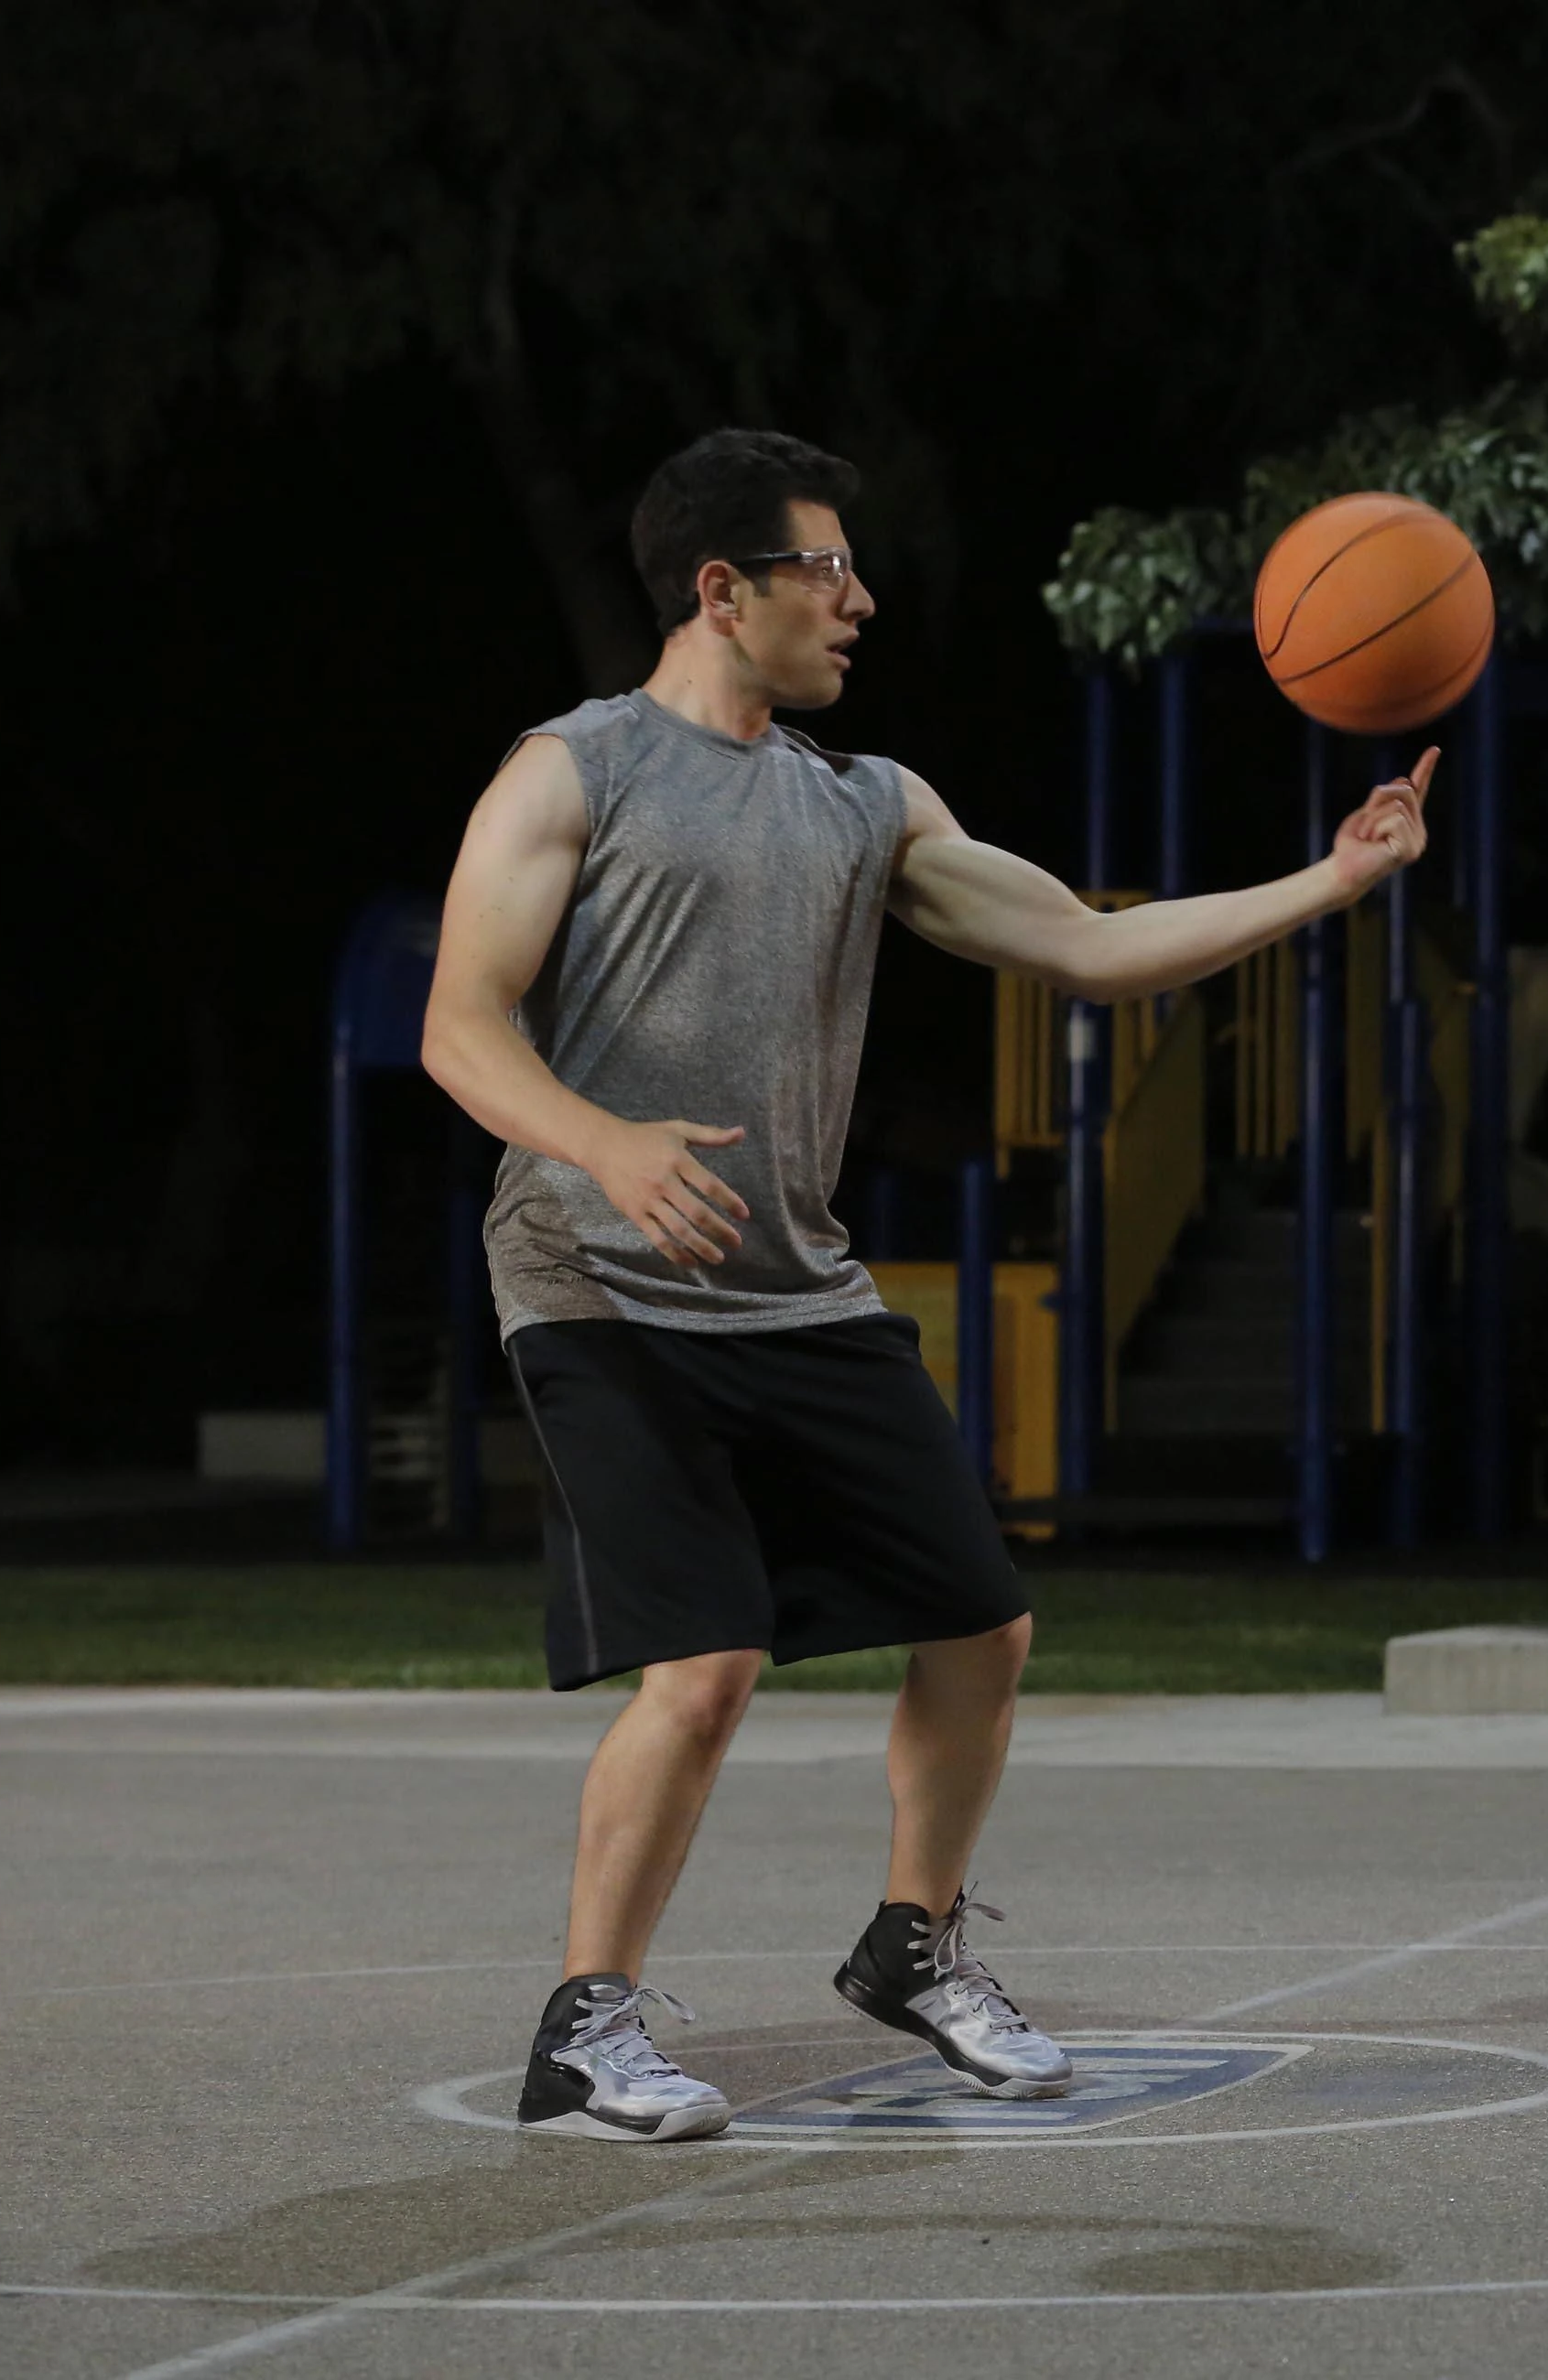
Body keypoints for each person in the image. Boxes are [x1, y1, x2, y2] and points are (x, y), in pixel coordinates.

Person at [421, 427, 1433, 2140]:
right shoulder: (572, 770)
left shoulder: (863, 803)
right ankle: (587, 2022)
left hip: (795, 1285)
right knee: (710, 1661)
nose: (860, 599)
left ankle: (911, 1946)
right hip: (595, 1281)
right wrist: (604, 1144)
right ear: (723, 590)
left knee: (981, 1627)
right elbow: (461, 1026)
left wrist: (1333, 878)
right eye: (827, 567)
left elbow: (1088, 947)